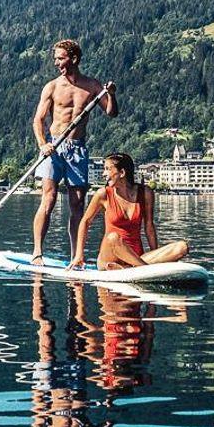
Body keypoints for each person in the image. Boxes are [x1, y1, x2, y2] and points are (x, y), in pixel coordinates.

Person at [30, 38, 116, 262]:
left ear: (74, 59)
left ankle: (76, 257)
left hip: (77, 150)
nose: (56, 62)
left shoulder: (92, 86)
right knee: (48, 199)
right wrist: (42, 144)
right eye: (55, 58)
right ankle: (37, 252)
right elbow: (38, 120)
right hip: (53, 149)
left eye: (60, 58)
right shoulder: (52, 86)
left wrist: (111, 94)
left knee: (77, 204)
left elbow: (111, 112)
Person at [71, 152, 190, 270]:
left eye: (107, 169)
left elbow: (149, 226)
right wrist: (78, 255)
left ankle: (130, 267)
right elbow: (85, 222)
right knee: (113, 237)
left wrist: (156, 254)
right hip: (109, 257)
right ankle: (144, 268)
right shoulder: (103, 194)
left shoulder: (145, 193)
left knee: (181, 247)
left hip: (137, 258)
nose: (104, 174)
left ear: (122, 173)